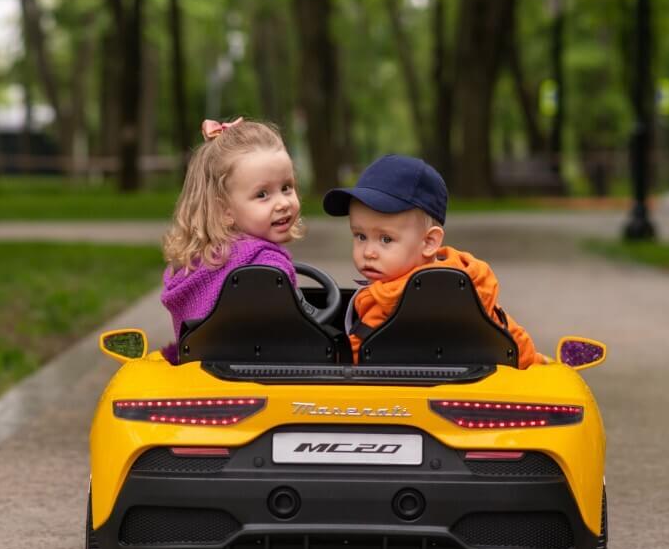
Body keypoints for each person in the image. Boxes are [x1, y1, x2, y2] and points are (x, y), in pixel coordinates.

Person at [323, 154, 545, 367]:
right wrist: (537, 362)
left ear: (429, 242)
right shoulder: (471, 284)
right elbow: (510, 340)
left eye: (385, 239)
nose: (368, 252)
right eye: (360, 236)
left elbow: (351, 361)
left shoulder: (385, 300)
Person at [161, 116, 302, 362]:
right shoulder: (265, 265)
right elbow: (288, 337)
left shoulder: (197, 261)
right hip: (254, 378)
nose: (283, 203)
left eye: (287, 187)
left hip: (199, 366)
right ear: (225, 210)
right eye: (262, 194)